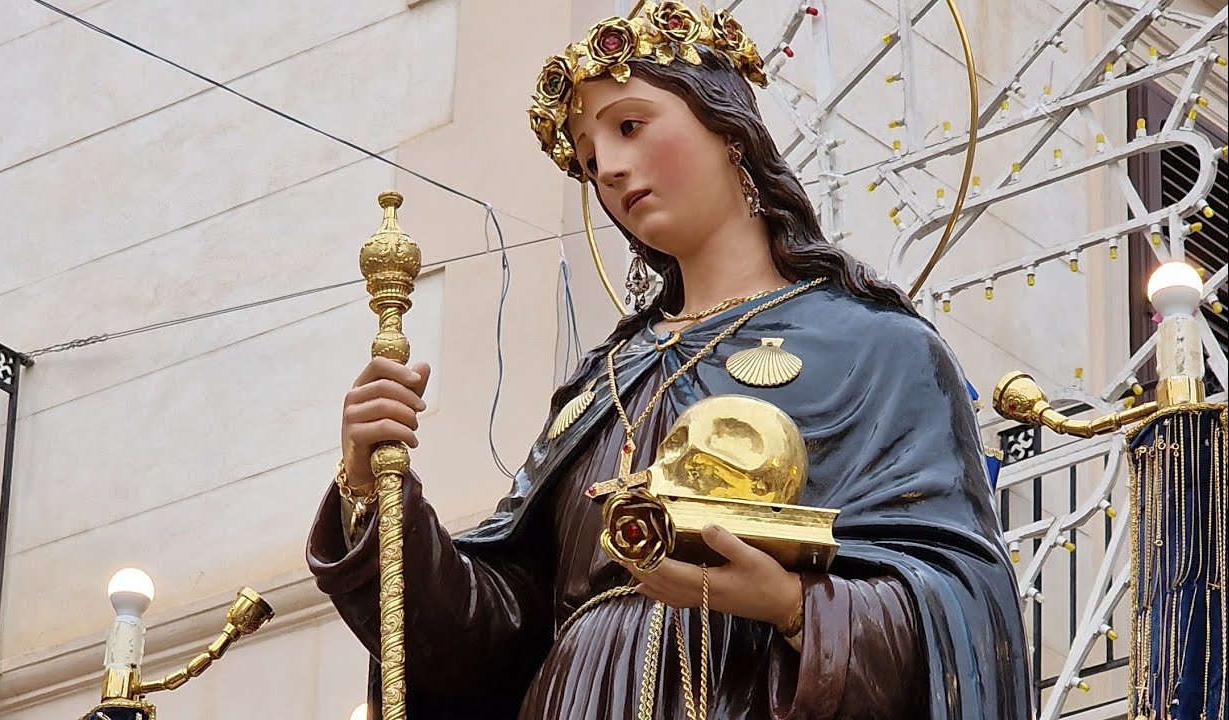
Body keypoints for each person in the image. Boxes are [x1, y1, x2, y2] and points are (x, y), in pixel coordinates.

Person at [308, 3, 1033, 718]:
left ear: (728, 129)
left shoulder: (876, 349)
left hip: (740, 690)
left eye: (630, 126)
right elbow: (493, 632)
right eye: (591, 162)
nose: (612, 172)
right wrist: (375, 495)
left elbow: (965, 605)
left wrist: (793, 606)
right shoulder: (602, 384)